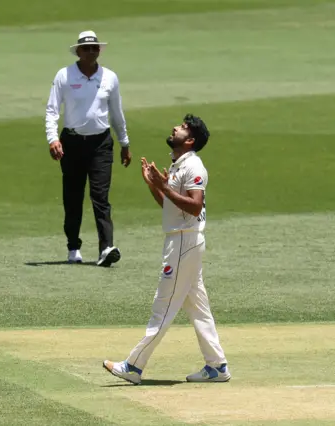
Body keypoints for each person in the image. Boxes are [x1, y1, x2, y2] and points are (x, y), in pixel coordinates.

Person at [103, 114, 230, 384]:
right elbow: (171, 206)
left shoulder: (194, 166)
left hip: (184, 241)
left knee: (163, 305)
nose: (176, 128)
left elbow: (194, 207)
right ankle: (217, 366)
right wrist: (154, 185)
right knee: (197, 307)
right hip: (182, 240)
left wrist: (162, 185)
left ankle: (134, 366)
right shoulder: (178, 165)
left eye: (183, 128)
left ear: (190, 140)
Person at [45, 30, 132, 267]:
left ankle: (106, 248)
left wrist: (124, 142)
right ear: (79, 51)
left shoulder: (109, 78)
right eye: (87, 48)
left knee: (100, 197)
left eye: (95, 48)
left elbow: (116, 113)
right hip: (71, 143)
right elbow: (52, 110)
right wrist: (53, 139)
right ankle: (73, 246)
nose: (92, 51)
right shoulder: (64, 75)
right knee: (73, 197)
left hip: (101, 144)